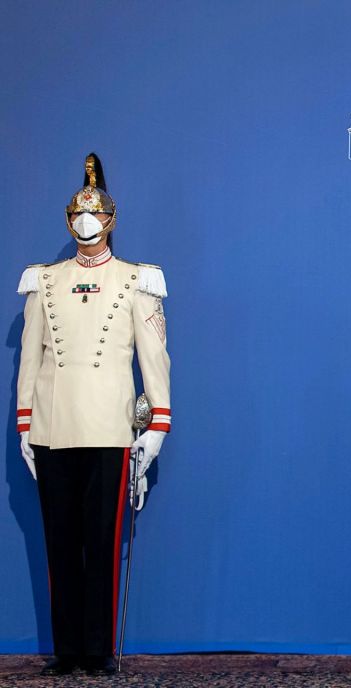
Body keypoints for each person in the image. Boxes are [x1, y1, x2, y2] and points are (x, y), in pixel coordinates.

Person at [16, 153, 171, 676]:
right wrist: (25, 425)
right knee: (59, 541)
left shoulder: (136, 280)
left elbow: (154, 359)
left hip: (109, 424)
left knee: (103, 542)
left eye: (96, 214)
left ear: (111, 220)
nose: (87, 222)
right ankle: (67, 649)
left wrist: (156, 428)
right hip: (52, 426)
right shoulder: (44, 280)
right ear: (68, 219)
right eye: (79, 214)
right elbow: (31, 358)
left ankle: (98, 647)